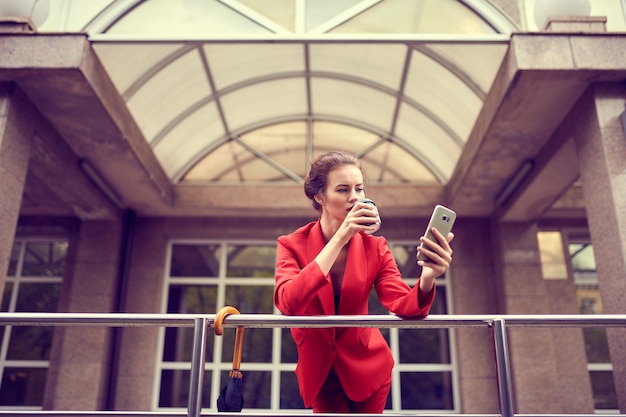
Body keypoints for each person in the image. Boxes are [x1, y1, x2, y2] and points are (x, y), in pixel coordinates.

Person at [274, 151, 454, 413]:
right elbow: (288, 302)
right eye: (343, 189)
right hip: (320, 370)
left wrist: (428, 276)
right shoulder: (291, 245)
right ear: (319, 196)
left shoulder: (375, 247)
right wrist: (341, 236)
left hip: (368, 366)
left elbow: (403, 305)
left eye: (359, 188)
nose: (355, 197)